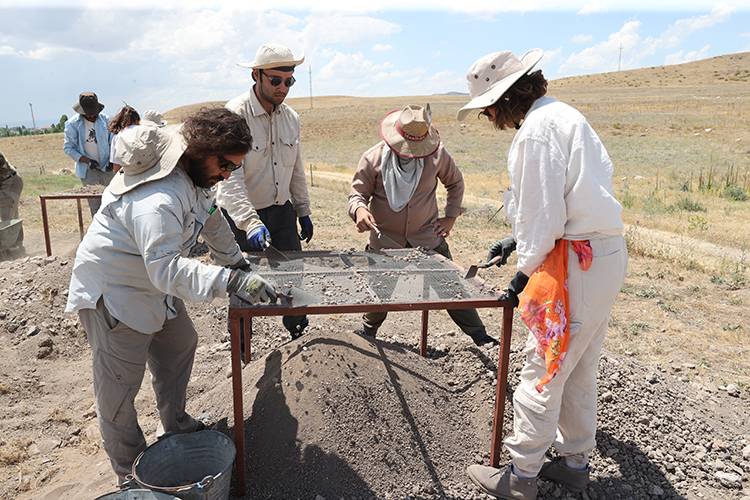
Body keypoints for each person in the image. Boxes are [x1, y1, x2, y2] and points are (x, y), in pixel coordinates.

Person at [65, 108, 279, 486]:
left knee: (181, 342)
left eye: (234, 168)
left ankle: (177, 426)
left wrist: (239, 264)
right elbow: (165, 268)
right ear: (201, 151)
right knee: (118, 391)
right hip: (116, 291)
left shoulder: (194, 173)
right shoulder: (159, 200)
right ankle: (131, 474)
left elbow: (211, 217)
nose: (227, 174)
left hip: (151, 282)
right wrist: (231, 281)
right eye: (225, 165)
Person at [458, 50, 627, 499]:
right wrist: (519, 240)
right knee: (577, 367)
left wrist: (522, 270)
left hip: (575, 261)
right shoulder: (563, 115)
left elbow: (545, 215)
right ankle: (574, 463)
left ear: (504, 99)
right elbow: (563, 201)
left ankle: (522, 477)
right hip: (601, 252)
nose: (490, 117)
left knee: (544, 366)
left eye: (489, 108)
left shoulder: (535, 133)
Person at [347, 104, 496, 346]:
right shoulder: (372, 158)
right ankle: (368, 332)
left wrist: (450, 217)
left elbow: (455, 183)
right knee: (378, 293)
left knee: (451, 286)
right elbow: (356, 195)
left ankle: (479, 335)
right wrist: (360, 210)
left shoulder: (437, 156)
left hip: (427, 237)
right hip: (385, 239)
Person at [217, 42, 312, 339]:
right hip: (242, 217)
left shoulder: (291, 118)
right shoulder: (235, 115)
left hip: (281, 213)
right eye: (275, 80)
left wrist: (303, 210)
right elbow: (229, 180)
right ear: (256, 76)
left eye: (289, 81)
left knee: (294, 283)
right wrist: (250, 223)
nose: (283, 88)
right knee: (244, 288)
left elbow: (295, 168)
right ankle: (242, 351)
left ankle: (298, 344)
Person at [63, 92, 114, 215]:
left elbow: (114, 142)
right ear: (82, 112)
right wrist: (87, 160)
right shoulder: (72, 124)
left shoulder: (107, 121)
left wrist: (111, 161)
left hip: (108, 167)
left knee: (112, 203)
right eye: (89, 114)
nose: (92, 116)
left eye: (94, 113)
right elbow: (68, 148)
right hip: (88, 170)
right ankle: (99, 233)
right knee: (95, 206)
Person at [108, 105, 140, 173]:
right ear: (137, 119)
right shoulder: (143, 130)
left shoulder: (117, 137)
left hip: (131, 174)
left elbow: (116, 167)